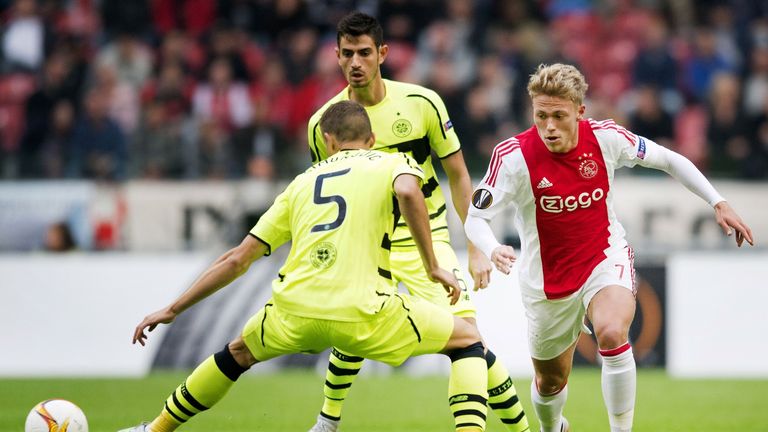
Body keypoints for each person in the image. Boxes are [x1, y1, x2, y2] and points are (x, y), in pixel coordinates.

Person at [119, 100, 490, 432]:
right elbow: (409, 191)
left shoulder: (301, 183)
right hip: (365, 310)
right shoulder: (393, 162)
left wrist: (172, 309)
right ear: (372, 138)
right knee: (468, 340)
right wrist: (432, 265)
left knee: (237, 354)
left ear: (328, 141)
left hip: (295, 310)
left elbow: (237, 259)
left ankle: (156, 429)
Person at [464, 63, 755, 432]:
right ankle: (551, 427)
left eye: (558, 115)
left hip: (604, 256)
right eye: (541, 116)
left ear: (580, 111)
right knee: (550, 383)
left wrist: (718, 202)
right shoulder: (513, 156)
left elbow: (668, 159)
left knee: (614, 332)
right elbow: (475, 217)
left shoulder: (606, 138)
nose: (549, 126)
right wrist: (491, 248)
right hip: (545, 279)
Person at [306, 12, 529, 432]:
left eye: (365, 53)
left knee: (467, 336)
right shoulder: (323, 124)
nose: (356, 61)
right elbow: (324, 195)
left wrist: (476, 245)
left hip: (425, 235)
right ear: (336, 56)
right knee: (355, 330)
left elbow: (459, 174)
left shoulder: (421, 103)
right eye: (348, 53)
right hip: (365, 242)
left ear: (382, 54)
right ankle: (327, 421)